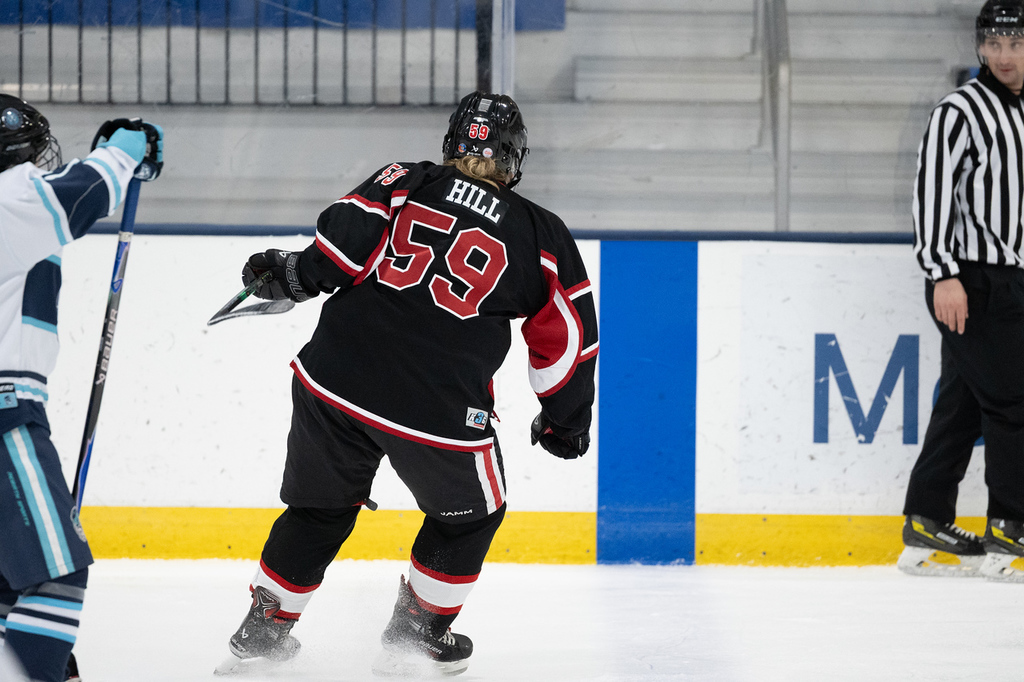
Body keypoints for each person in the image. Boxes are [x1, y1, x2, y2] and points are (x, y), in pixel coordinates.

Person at [216, 91, 598, 677]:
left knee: (319, 508)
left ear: (452, 141)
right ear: (515, 156)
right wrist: (564, 422)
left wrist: (295, 273)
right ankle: (417, 633)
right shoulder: (543, 235)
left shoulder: (406, 178)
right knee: (472, 515)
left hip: (333, 381)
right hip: (437, 408)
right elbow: (567, 339)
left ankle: (263, 630)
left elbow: (341, 247)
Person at [0, 95, 163, 681]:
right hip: (4, 413)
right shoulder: (7, 198)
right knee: (55, 573)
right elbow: (78, 196)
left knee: (9, 584)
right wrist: (122, 152)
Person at [899, 0, 1024, 582]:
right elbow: (932, 193)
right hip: (970, 279)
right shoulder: (960, 111)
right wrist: (941, 273)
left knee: (964, 402)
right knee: (1013, 403)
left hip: (1012, 278)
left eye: (1015, 43)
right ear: (979, 46)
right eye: (994, 44)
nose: (1003, 55)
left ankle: (925, 522)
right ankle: (1010, 532)